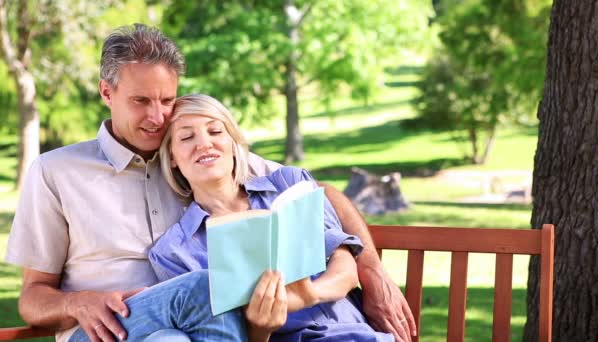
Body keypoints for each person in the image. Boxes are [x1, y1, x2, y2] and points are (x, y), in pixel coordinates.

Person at [4, 23, 415, 342]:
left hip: (192, 329)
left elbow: (317, 192)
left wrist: (372, 269)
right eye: (141, 101)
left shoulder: (193, 153)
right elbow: (32, 297)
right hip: (105, 329)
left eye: (167, 100)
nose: (157, 116)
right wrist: (78, 304)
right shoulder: (56, 171)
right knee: (207, 285)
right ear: (106, 92)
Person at [149, 94, 395, 341]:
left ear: (233, 142)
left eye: (215, 131)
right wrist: (261, 327)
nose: (204, 144)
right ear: (171, 157)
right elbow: (219, 335)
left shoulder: (289, 184)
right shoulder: (173, 252)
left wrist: (309, 295)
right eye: (187, 137)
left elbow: (346, 265)